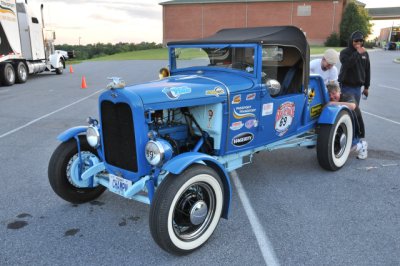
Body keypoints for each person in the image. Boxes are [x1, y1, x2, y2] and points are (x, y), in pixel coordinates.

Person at [326, 82, 367, 159]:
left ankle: (362, 145)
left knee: (348, 149)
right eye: (329, 94)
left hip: (356, 126)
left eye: (334, 93)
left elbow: (352, 106)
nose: (331, 96)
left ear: (339, 92)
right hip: (342, 125)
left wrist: (333, 103)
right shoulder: (331, 100)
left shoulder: (347, 95)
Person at [338, 31, 371, 105]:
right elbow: (347, 64)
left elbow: (367, 70)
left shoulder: (365, 53)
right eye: (356, 41)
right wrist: (357, 53)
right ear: (351, 41)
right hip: (346, 87)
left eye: (361, 41)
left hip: (358, 88)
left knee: (355, 110)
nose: (358, 43)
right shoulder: (344, 52)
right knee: (348, 109)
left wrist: (366, 87)